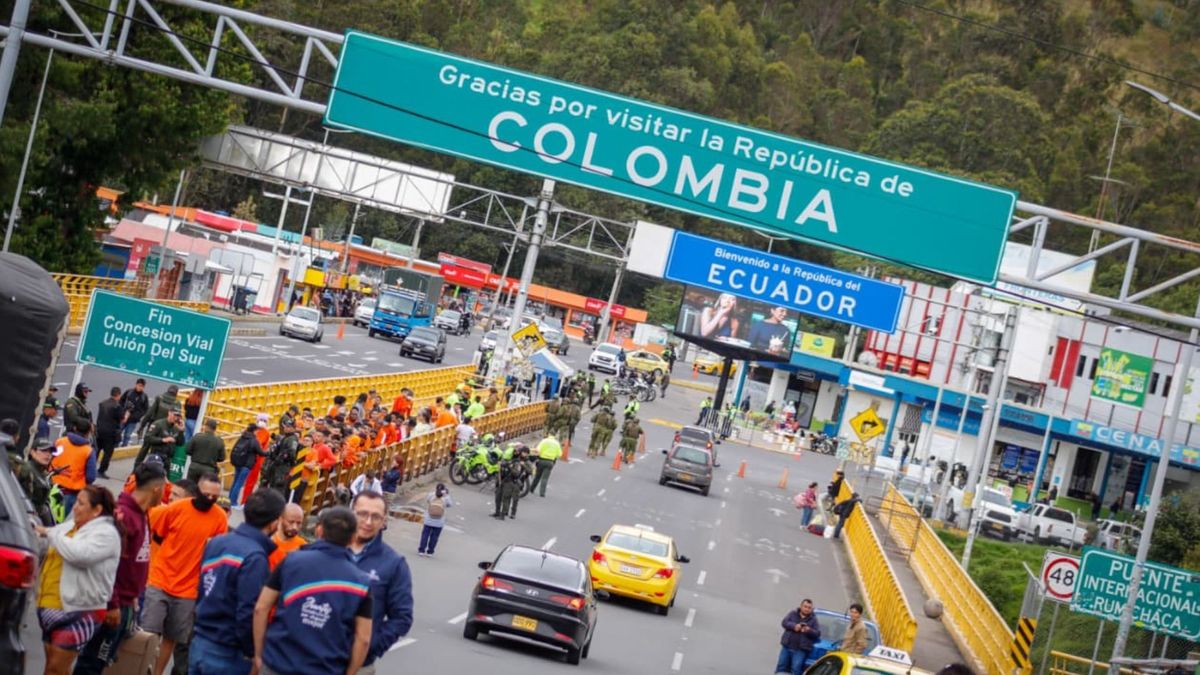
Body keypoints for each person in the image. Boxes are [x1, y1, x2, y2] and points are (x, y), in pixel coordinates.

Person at [253, 506, 373, 675]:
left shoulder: (291, 561)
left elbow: (261, 608)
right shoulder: (361, 583)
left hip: (278, 662)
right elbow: (363, 639)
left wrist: (259, 655)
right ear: (354, 538)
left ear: (319, 530)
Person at [74, 462, 167, 675]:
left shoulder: (141, 514)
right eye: (164, 487)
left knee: (102, 661)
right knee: (92, 663)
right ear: (156, 488)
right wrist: (113, 603)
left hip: (125, 602)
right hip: (111, 605)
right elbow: (106, 563)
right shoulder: (125, 516)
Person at [189, 489, 286, 675]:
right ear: (274, 522)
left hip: (201, 640)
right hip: (227, 651)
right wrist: (252, 652)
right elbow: (247, 611)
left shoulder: (217, 543)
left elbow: (202, 588)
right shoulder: (256, 557)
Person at [145, 473, 229, 675]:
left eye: (214, 497)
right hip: (160, 579)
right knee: (148, 633)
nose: (209, 500)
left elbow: (217, 552)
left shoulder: (219, 518)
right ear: (197, 491)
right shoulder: (176, 509)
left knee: (171, 637)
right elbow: (158, 535)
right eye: (206, 494)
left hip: (188, 590)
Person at [33, 485, 121, 675]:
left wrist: (49, 532)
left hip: (79, 610)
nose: (75, 508)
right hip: (50, 605)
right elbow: (48, 542)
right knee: (55, 667)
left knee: (55, 668)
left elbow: (79, 554)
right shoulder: (70, 526)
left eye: (81, 504)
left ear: (97, 510)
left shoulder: (107, 533)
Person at [348, 492, 414, 672]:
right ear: (351, 512)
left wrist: (370, 645)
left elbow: (402, 617)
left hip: (359, 665)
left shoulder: (394, 564)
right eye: (362, 514)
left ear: (384, 521)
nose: (368, 522)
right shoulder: (330, 549)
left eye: (375, 517)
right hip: (312, 658)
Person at [52, 420, 97, 514]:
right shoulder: (88, 451)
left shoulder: (60, 442)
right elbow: (91, 477)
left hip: (51, 485)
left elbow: (49, 458)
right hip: (70, 492)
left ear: (75, 428)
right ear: (88, 432)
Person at [775, 599, 821, 675]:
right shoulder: (793, 613)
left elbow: (817, 633)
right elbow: (784, 622)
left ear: (811, 609)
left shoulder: (814, 620)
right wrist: (794, 626)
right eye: (805, 606)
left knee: (796, 670)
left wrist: (808, 630)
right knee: (781, 667)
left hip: (800, 650)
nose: (806, 609)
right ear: (801, 606)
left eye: (809, 608)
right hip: (787, 646)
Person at [17, 438, 55, 525]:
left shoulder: (45, 474)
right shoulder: (25, 469)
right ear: (32, 452)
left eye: (50, 452)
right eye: (44, 451)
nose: (48, 455)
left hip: (41, 520)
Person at [228, 423, 265, 508]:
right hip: (246, 464)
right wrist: (269, 452)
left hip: (238, 462)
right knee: (239, 483)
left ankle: (230, 499)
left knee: (235, 481)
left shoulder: (243, 437)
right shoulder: (254, 440)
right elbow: (261, 452)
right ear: (254, 430)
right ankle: (233, 502)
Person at [95, 387, 125, 479]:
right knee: (107, 453)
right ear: (118, 395)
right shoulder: (117, 406)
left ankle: (91, 467)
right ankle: (101, 471)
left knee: (96, 450)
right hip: (110, 433)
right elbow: (122, 419)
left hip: (99, 430)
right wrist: (127, 413)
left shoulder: (102, 403)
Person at [267, 503, 306, 571]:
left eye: (299, 523)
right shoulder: (269, 544)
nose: (295, 527)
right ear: (280, 519)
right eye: (291, 522)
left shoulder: (303, 546)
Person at [185, 418, 226, 483]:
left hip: (194, 467)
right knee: (203, 490)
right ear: (215, 429)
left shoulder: (197, 436)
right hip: (209, 470)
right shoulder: (219, 441)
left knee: (189, 488)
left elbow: (187, 450)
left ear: (206, 426)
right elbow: (222, 458)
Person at [419, 483, 453, 555]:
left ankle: (421, 550)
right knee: (435, 537)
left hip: (428, 519)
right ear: (444, 489)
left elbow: (428, 501)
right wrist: (447, 495)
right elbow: (450, 504)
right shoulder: (446, 497)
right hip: (439, 521)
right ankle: (430, 552)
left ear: (436, 488)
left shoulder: (431, 494)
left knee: (425, 535)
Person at [119, 379, 149, 446]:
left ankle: (123, 448)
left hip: (133, 421)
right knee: (118, 432)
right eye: (139, 385)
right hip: (123, 417)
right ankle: (114, 446)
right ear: (136, 385)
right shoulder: (129, 392)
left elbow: (145, 409)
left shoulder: (144, 397)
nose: (140, 387)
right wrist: (123, 412)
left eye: (142, 386)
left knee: (127, 435)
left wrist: (137, 416)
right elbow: (121, 401)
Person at [533, 433, 563, 497]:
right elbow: (559, 454)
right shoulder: (557, 443)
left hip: (541, 460)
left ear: (548, 435)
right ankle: (542, 493)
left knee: (537, 476)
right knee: (545, 478)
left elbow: (538, 450)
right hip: (550, 462)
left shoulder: (544, 441)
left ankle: (532, 489)